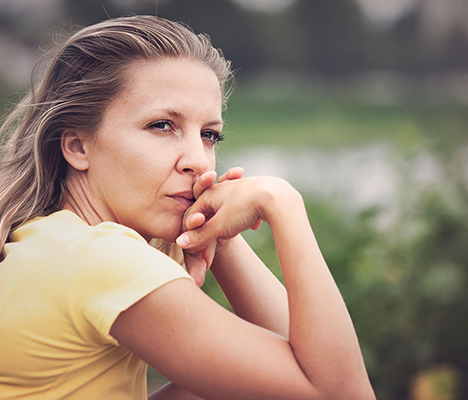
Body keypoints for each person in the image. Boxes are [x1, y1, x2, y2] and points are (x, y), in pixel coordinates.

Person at [0, 15, 375, 400]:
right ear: (77, 147)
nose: (198, 159)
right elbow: (342, 393)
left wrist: (221, 236)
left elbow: (301, 365)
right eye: (162, 126)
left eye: (209, 134)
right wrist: (284, 204)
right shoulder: (97, 258)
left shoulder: (46, 241)